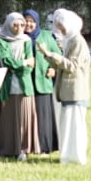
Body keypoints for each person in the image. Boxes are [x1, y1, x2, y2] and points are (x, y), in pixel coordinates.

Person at [40, 8, 91, 165]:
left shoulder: (77, 41)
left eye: (62, 26)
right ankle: (67, 156)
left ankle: (74, 157)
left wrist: (51, 54)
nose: (60, 29)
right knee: (67, 126)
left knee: (74, 127)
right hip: (68, 91)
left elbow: (73, 66)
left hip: (75, 91)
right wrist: (49, 56)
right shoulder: (70, 40)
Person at [0, 12, 39, 161]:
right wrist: (22, 63)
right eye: (15, 24)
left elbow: (31, 65)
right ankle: (6, 148)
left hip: (24, 84)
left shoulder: (27, 40)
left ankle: (23, 148)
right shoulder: (2, 40)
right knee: (7, 119)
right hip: (7, 84)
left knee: (23, 118)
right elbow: (6, 61)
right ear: (8, 24)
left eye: (22, 24)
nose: (19, 27)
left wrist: (22, 65)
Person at [26, 9, 62, 155]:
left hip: (43, 81)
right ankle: (28, 145)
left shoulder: (46, 36)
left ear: (36, 22)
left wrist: (54, 70)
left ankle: (45, 146)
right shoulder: (20, 37)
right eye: (26, 21)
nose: (28, 24)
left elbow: (58, 57)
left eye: (31, 21)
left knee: (43, 116)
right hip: (26, 83)